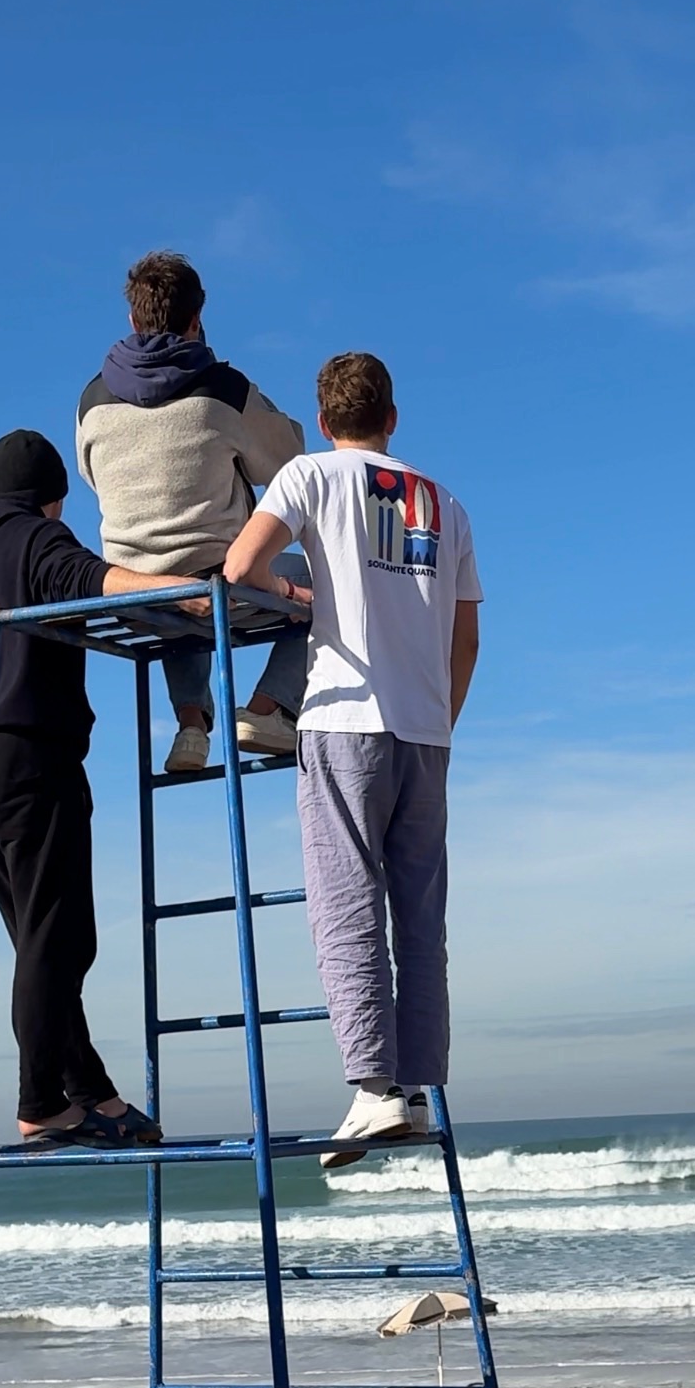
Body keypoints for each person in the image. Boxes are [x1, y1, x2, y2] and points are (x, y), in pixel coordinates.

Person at [223, 353, 481, 1166]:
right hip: (425, 731)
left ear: (325, 420)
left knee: (344, 906)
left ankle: (371, 1091)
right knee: (418, 917)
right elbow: (465, 636)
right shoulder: (444, 502)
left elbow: (240, 566)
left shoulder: (309, 475)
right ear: (391, 418)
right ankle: (411, 1085)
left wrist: (303, 598)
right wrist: (442, 716)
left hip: (343, 714)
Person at [0, 431, 202, 1142]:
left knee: (40, 939)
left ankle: (90, 1090)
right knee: (63, 938)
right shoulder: (37, 540)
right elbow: (95, 581)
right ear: (51, 495)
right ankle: (39, 1101)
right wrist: (185, 597)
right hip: (32, 760)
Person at [77, 251, 309, 775]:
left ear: (133, 320)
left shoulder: (91, 398)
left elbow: (90, 475)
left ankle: (190, 728)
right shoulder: (222, 388)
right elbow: (291, 457)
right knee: (331, 578)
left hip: (132, 587)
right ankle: (271, 709)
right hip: (218, 584)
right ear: (197, 318)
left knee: (173, 570)